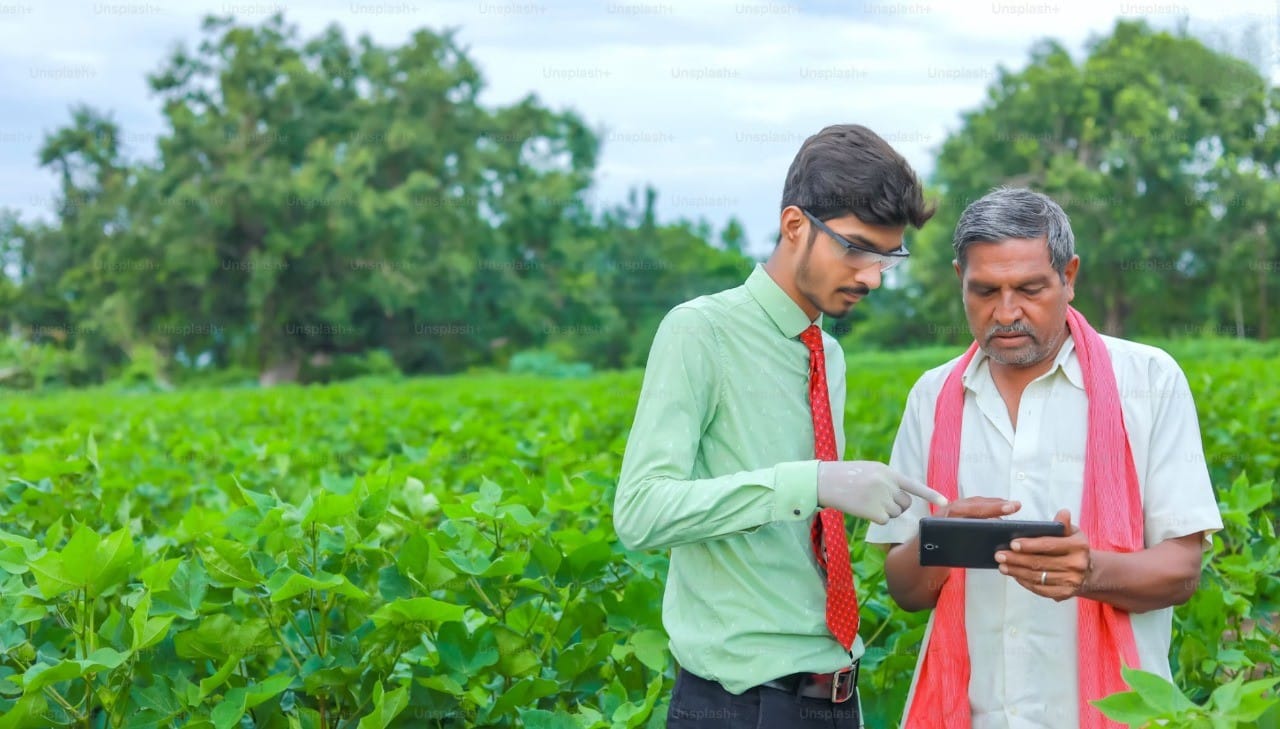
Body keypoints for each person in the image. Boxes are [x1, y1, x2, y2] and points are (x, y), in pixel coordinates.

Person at [612, 124, 949, 728]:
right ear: (795, 227)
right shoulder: (700, 332)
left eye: (886, 257)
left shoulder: (829, 354)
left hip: (837, 696)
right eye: (855, 248)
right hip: (737, 704)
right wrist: (811, 484)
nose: (871, 276)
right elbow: (640, 512)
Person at [867, 187, 1223, 729]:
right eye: (984, 290)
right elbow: (905, 589)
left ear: (1069, 276)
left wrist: (1091, 572)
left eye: (1030, 289)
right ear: (959, 278)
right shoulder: (934, 396)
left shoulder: (1148, 382)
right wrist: (938, 539)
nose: (1006, 313)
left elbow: (1181, 571)